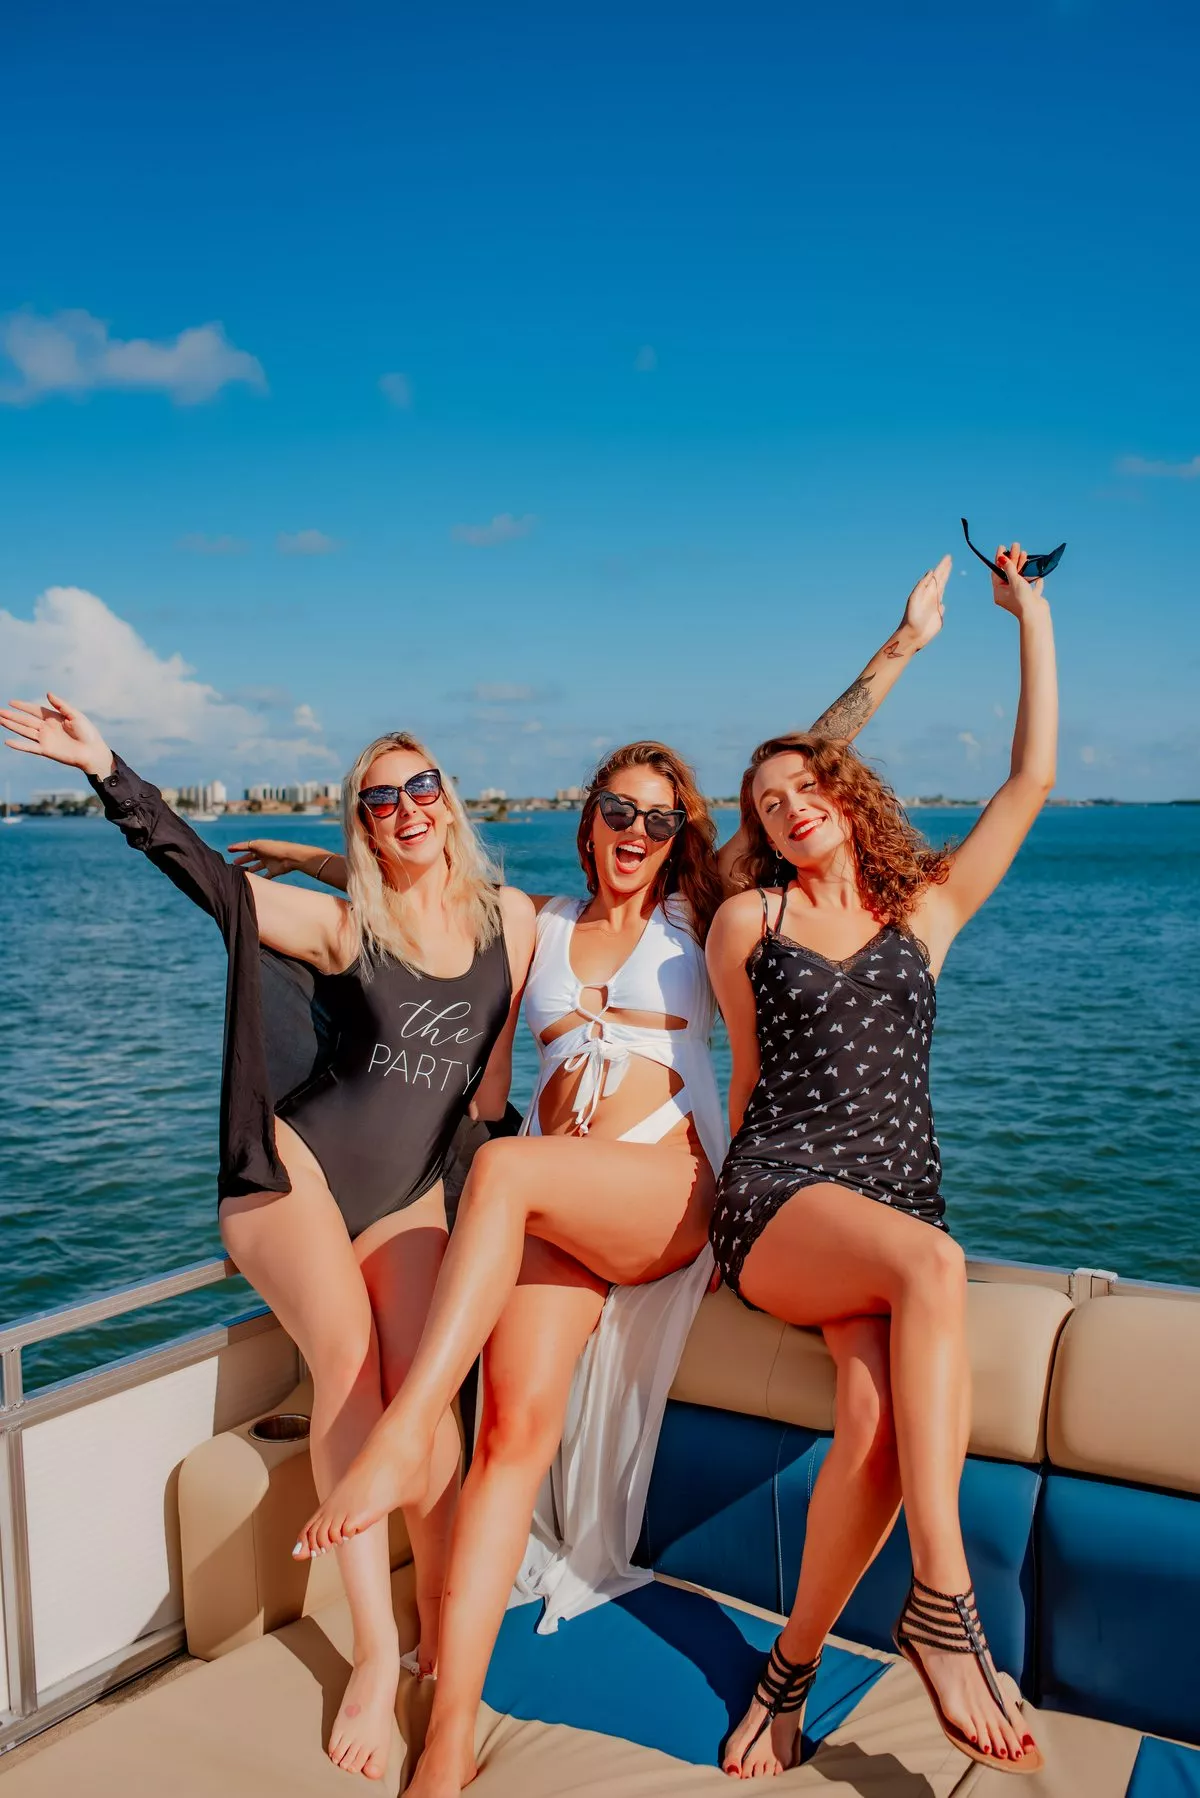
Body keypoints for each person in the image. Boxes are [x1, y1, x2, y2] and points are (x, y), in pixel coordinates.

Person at [281, 564, 951, 1798]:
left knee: (514, 1175)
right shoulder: (533, 922)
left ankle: (404, 1429)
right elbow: (421, 900)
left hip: (662, 1198)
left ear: (681, 836)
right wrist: (307, 861)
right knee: (510, 1447)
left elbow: (816, 763)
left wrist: (899, 650)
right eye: (616, 812)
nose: (635, 834)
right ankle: (449, 1734)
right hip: (545, 1210)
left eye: (657, 818)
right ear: (587, 819)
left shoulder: (705, 912)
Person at [0, 698, 535, 1784]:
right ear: (366, 827)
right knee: (348, 1366)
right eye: (379, 798)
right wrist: (109, 770)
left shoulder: (513, 922)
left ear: (450, 800)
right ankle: (379, 1660)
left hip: (410, 1196)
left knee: (427, 1406)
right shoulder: (347, 925)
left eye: (421, 784)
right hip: (293, 1174)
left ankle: (443, 1623)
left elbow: (487, 1086)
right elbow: (209, 882)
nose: (406, 807)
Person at [704, 544, 1056, 1779]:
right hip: (781, 1195)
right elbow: (746, 1086)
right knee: (934, 1264)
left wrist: (1032, 615)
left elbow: (1030, 777)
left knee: (873, 1427)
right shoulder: (750, 920)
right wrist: (707, 1232)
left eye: (806, 785)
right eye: (766, 802)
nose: (789, 806)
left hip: (892, 1205)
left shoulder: (929, 911)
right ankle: (944, 1609)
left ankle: (787, 1674)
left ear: (847, 792)